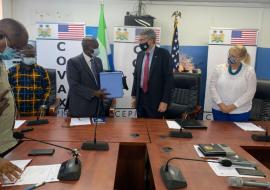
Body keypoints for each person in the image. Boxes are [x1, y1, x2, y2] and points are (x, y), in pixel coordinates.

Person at [0, 18, 28, 184]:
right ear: (2, 36)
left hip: (5, 144)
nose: (16, 52)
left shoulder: (1, 61)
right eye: (15, 47)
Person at [131, 29, 173, 118]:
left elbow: (169, 80)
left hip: (156, 100)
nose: (140, 42)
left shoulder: (164, 54)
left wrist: (165, 101)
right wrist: (134, 96)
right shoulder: (140, 55)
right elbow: (136, 77)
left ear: (150, 40)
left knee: (155, 129)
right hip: (141, 98)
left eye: (142, 40)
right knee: (140, 127)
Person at [209, 45, 257, 122]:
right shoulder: (219, 68)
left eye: (233, 56)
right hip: (219, 110)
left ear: (241, 58)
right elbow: (212, 87)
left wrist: (233, 106)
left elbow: (250, 92)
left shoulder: (249, 71)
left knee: (237, 134)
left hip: (240, 112)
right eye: (229, 55)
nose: (230, 57)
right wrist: (221, 105)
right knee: (218, 133)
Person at [66, 37, 108, 117]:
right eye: (96, 47)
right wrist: (94, 93)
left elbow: (101, 80)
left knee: (101, 129)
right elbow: (74, 85)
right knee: (84, 130)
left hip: (98, 107)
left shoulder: (98, 60)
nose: (98, 49)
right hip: (82, 107)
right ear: (88, 48)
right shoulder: (73, 62)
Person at [8, 43, 51, 116]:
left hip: (37, 112)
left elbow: (47, 89)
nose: (31, 58)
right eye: (28, 56)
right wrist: (13, 109)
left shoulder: (42, 71)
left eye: (33, 56)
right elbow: (8, 93)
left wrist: (43, 106)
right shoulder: (11, 71)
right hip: (18, 113)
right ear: (21, 56)